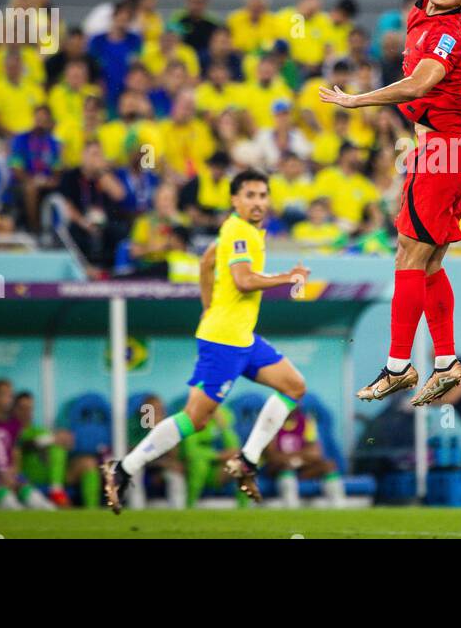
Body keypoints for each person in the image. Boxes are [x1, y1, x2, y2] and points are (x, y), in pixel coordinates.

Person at [317, 0, 461, 406]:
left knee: (408, 258)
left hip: (440, 153)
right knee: (431, 263)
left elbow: (421, 84)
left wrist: (357, 100)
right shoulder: (420, 11)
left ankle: (398, 367)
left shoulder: (450, 32)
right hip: (441, 152)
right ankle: (446, 363)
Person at [103, 169, 313, 510]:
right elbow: (243, 281)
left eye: (262, 195)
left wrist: (206, 306)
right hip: (224, 341)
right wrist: (287, 277)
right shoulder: (240, 231)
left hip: (242, 337)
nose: (258, 202)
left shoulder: (241, 231)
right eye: (250, 196)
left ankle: (247, 459)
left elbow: (206, 261)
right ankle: (124, 468)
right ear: (234, 200)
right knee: (195, 419)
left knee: (294, 386)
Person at [0, 378, 57, 509]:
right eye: (4, 395)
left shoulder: (15, 424)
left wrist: (13, 472)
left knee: (37, 501)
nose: (8, 399)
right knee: (9, 503)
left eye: (10, 395)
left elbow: (16, 454)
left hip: (12, 474)